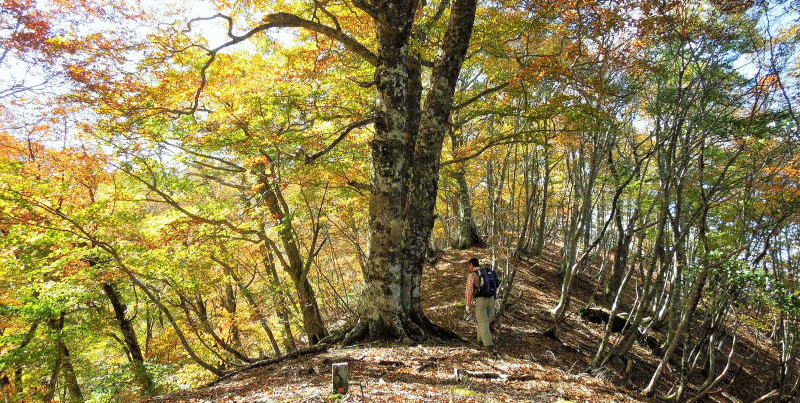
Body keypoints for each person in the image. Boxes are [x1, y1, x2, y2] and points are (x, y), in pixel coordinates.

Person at [464, 258, 497, 348]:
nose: (468, 267)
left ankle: (488, 344)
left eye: (469, 265)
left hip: (481, 300)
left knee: (483, 322)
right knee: (483, 321)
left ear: (471, 265)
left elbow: (469, 291)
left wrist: (468, 304)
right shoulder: (486, 271)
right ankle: (480, 340)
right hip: (491, 298)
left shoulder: (472, 275)